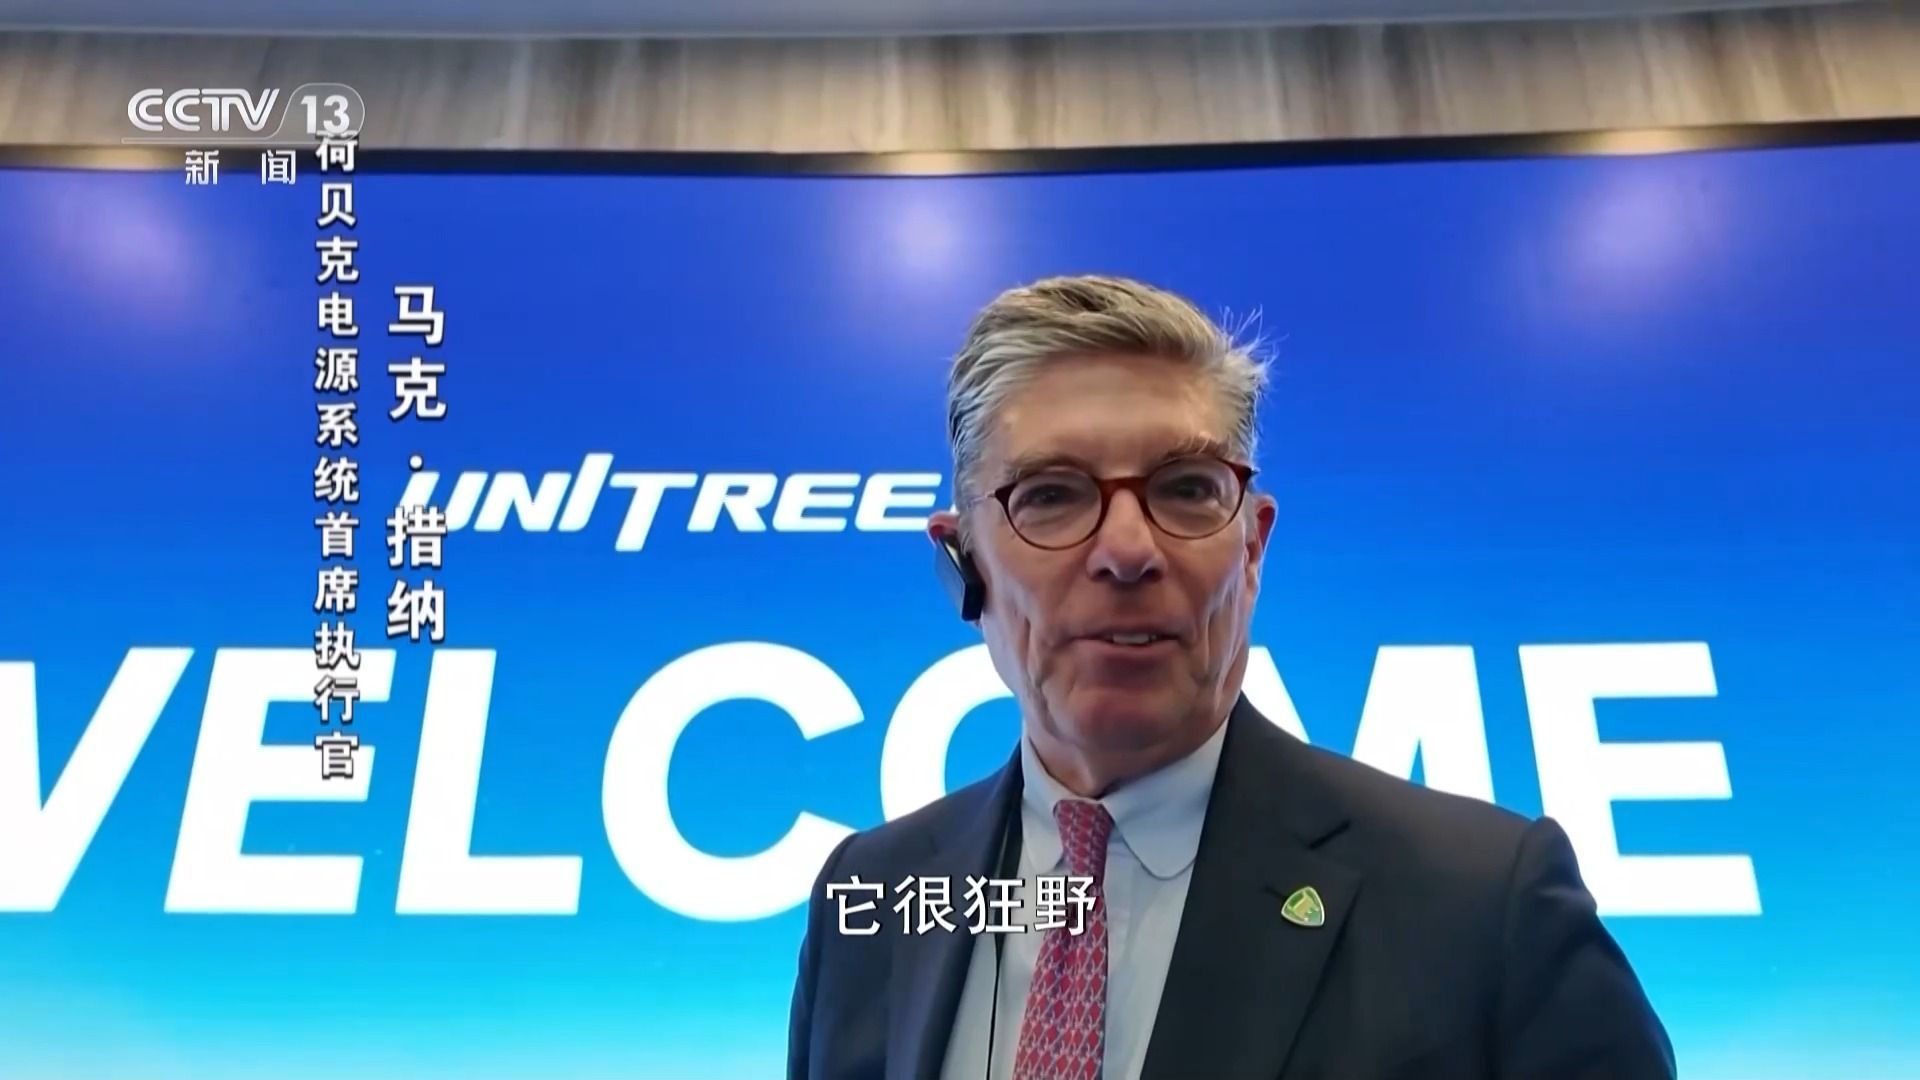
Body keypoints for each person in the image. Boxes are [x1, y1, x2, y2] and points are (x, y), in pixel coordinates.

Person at [786, 274, 1675, 1080]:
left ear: (1251, 549)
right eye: (1051, 493)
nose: (1127, 550)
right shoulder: (871, 894)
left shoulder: (1486, 905)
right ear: (962, 562)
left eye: (1187, 488)